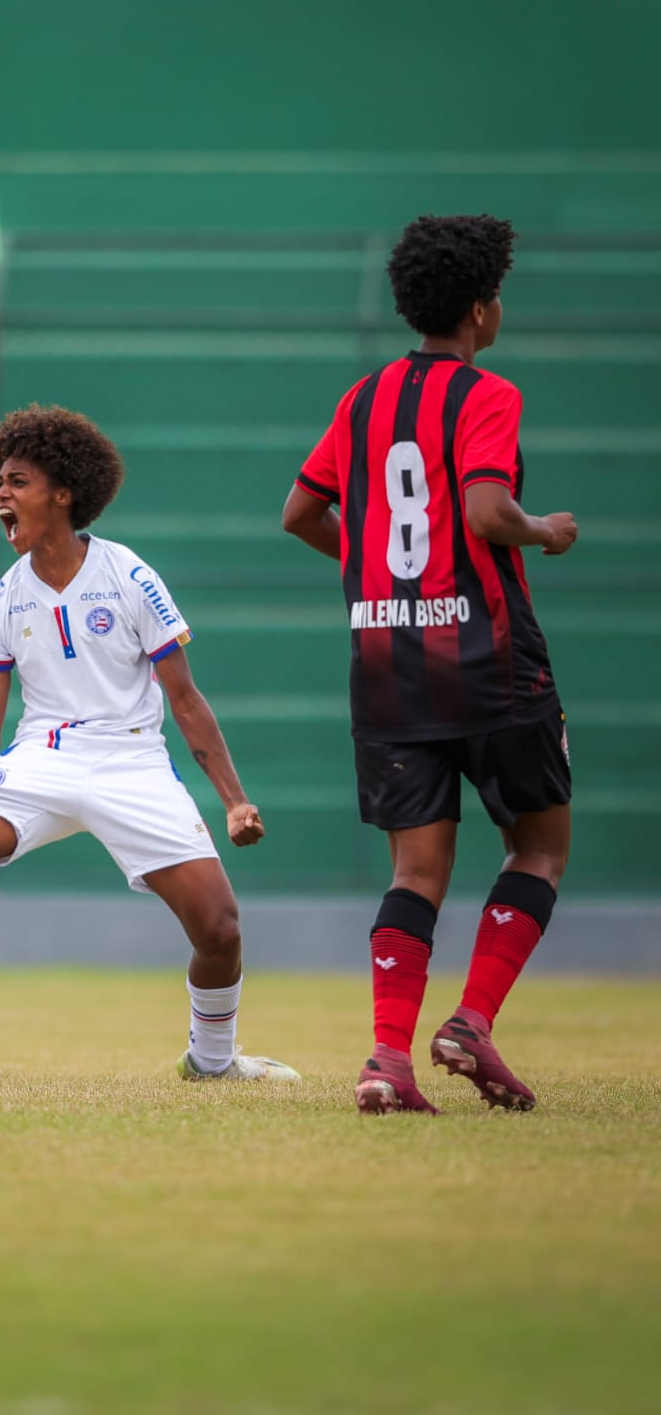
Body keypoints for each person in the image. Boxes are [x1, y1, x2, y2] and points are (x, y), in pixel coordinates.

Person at [0, 403, 299, 1085]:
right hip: (41, 757)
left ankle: (213, 1062)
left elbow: (185, 699)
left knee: (220, 929)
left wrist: (235, 801)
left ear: (64, 492)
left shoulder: (130, 576)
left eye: (17, 481)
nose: (1, 495)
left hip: (131, 760)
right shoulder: (1, 601)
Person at [282, 214, 577, 1115]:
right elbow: (488, 513)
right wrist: (544, 530)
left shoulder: (362, 399)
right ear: (483, 310)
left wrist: (375, 574)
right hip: (489, 661)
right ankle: (472, 1022)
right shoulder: (487, 394)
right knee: (539, 845)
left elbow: (299, 512)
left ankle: (386, 1061)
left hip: (386, 666)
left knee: (415, 874)